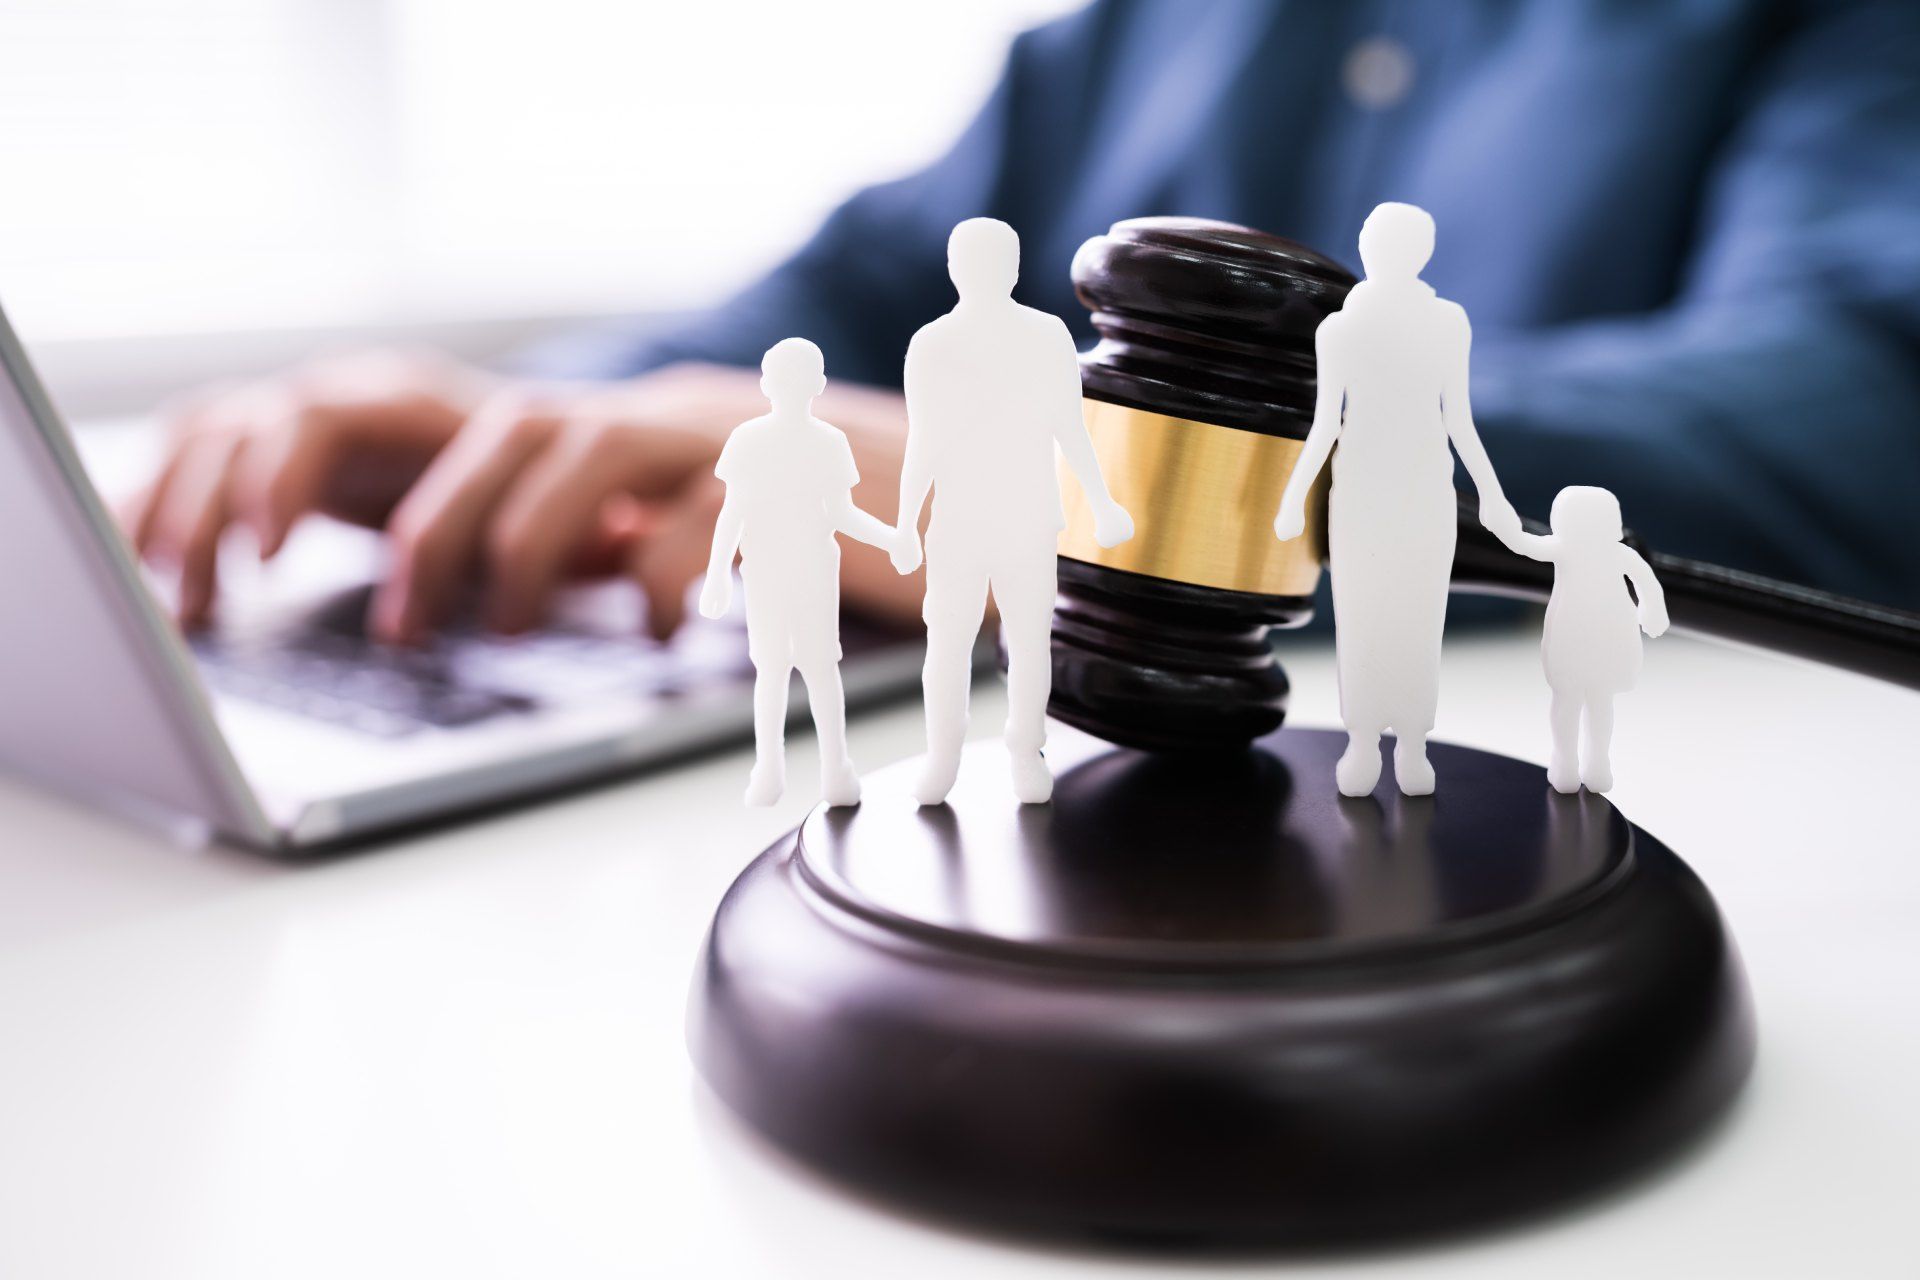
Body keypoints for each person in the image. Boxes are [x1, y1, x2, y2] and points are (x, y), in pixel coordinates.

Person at [123, 0, 1920, 643]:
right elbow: (838, 302)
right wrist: (506, 419)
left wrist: (1096, 491)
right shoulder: (1150, 29)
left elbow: (1850, 397)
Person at [1274, 203, 1519, 797]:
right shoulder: (1339, 328)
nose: (1386, 250)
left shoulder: (1447, 322)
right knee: (1360, 617)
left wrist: (1491, 493)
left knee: (1417, 616)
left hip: (1424, 491)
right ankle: (1361, 741)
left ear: (1423, 252)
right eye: (1378, 238)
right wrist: (1292, 495)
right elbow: (1324, 423)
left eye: (1401, 241)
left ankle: (1412, 744)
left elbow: (1458, 417)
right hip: (1359, 492)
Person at [889, 219, 1132, 805]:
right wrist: (904, 523)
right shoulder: (932, 345)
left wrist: (1100, 501)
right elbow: (923, 441)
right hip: (960, 521)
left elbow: (1069, 427)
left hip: (1027, 515)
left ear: (1015, 269)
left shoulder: (1047, 337)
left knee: (1028, 641)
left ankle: (1025, 750)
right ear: (954, 269)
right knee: (948, 642)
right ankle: (943, 757)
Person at [698, 338, 889, 807]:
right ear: (766, 384)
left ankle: (835, 769)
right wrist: (718, 572)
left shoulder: (829, 441)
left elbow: (842, 513)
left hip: (814, 568)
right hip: (765, 570)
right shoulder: (748, 439)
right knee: (774, 670)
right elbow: (733, 511)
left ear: (818, 385)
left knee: (820, 668)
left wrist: (892, 538)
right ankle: (770, 769)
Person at [1497, 487, 1670, 795]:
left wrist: (1653, 610)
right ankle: (1567, 762)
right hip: (1579, 634)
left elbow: (1647, 582)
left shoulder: (1612, 553)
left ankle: (1595, 762)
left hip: (1605, 634)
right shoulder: (1567, 548)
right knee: (1574, 699)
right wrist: (1503, 524)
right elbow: (1524, 544)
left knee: (1591, 700)